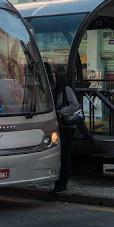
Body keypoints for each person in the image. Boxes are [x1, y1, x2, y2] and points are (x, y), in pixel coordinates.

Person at [45, 63, 82, 193]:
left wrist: (60, 111)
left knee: (65, 153)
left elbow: (74, 105)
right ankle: (58, 180)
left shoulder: (66, 90)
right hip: (57, 126)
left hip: (67, 126)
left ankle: (63, 181)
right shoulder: (53, 91)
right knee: (58, 153)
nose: (52, 78)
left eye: (54, 76)